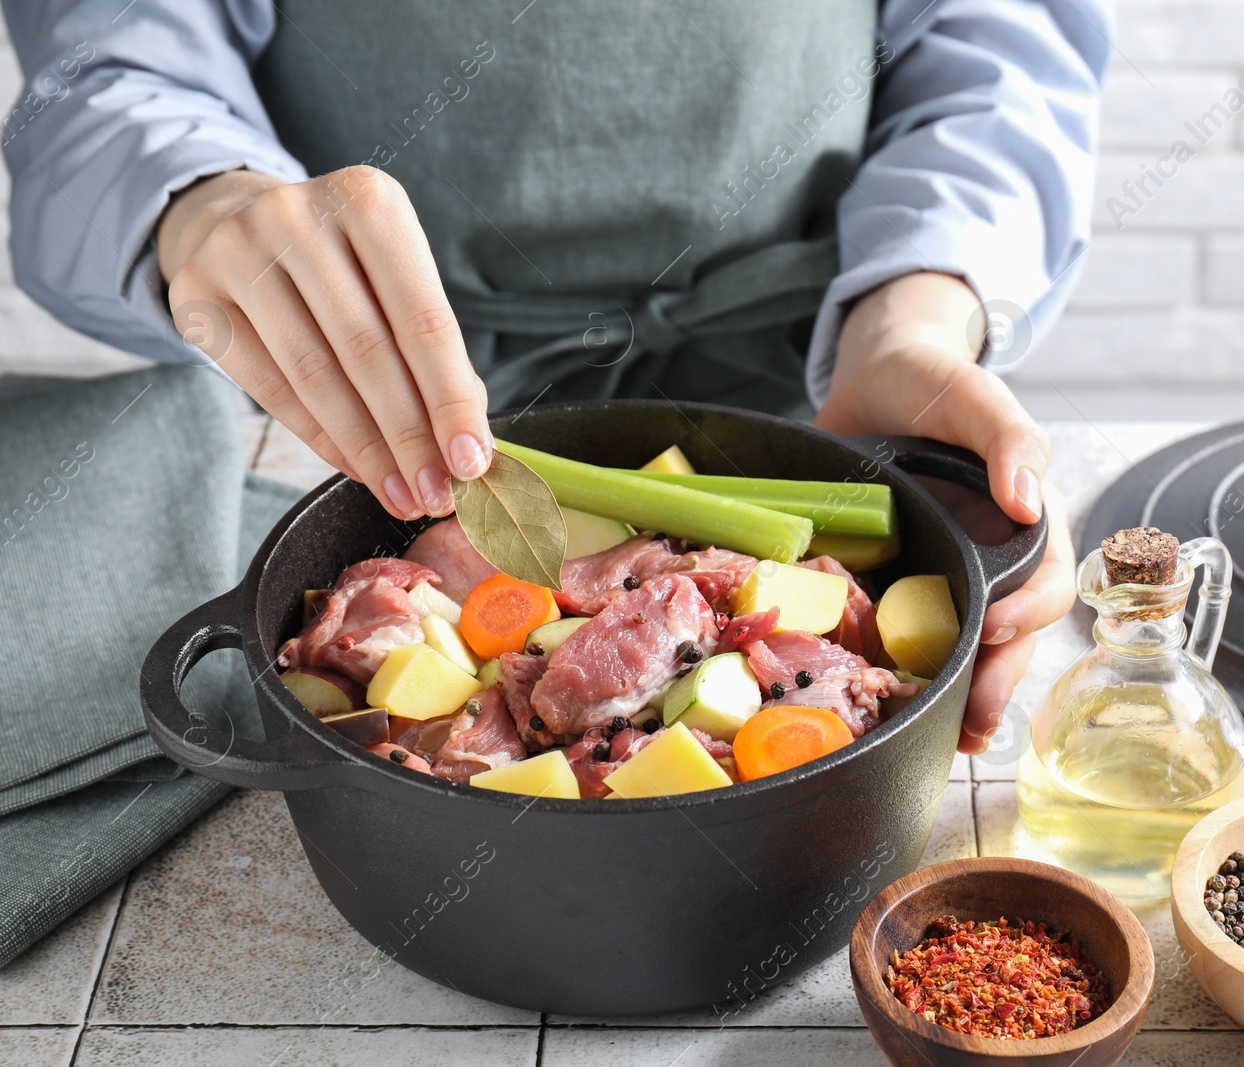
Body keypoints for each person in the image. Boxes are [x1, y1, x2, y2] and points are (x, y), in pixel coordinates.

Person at [3, 0, 1108, 754]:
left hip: (805, 414)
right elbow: (104, 64)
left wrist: (909, 322)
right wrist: (197, 197)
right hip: (373, 426)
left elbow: (993, 48)